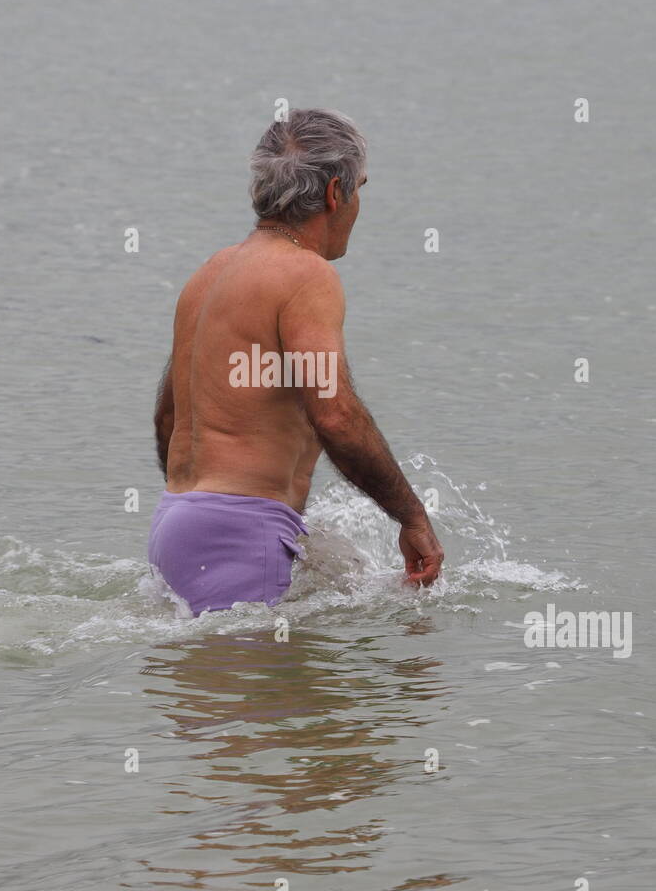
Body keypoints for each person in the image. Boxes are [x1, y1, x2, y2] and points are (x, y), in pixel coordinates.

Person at [149, 108, 444, 616]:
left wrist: (206, 513)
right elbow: (336, 416)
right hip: (241, 529)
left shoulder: (211, 273)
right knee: (276, 694)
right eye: (360, 188)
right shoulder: (305, 275)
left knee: (211, 691)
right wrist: (412, 517)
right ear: (335, 193)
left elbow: (168, 417)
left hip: (177, 520)